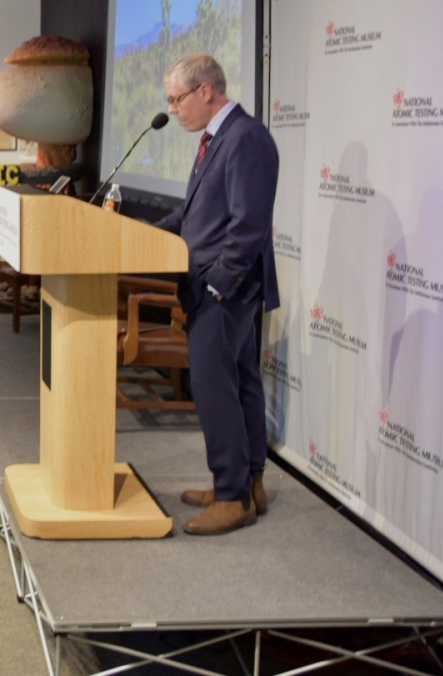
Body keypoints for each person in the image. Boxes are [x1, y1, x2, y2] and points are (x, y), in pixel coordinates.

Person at [154, 54, 279, 537]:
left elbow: (248, 226)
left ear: (207, 90)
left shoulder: (245, 139)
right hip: (217, 284)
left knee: (214, 389)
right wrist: (134, 230)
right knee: (241, 381)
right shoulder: (216, 139)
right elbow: (193, 218)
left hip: (225, 289)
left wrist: (216, 284)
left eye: (177, 99)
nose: (174, 109)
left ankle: (231, 497)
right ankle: (249, 484)